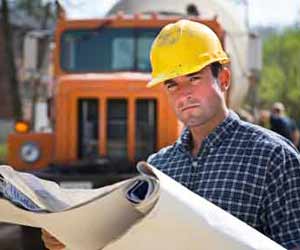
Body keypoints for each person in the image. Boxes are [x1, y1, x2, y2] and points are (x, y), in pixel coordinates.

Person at [42, 20, 300, 250]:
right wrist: (75, 241)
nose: (183, 94)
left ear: (223, 78)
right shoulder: (159, 168)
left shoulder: (273, 157)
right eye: (172, 84)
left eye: (194, 78)